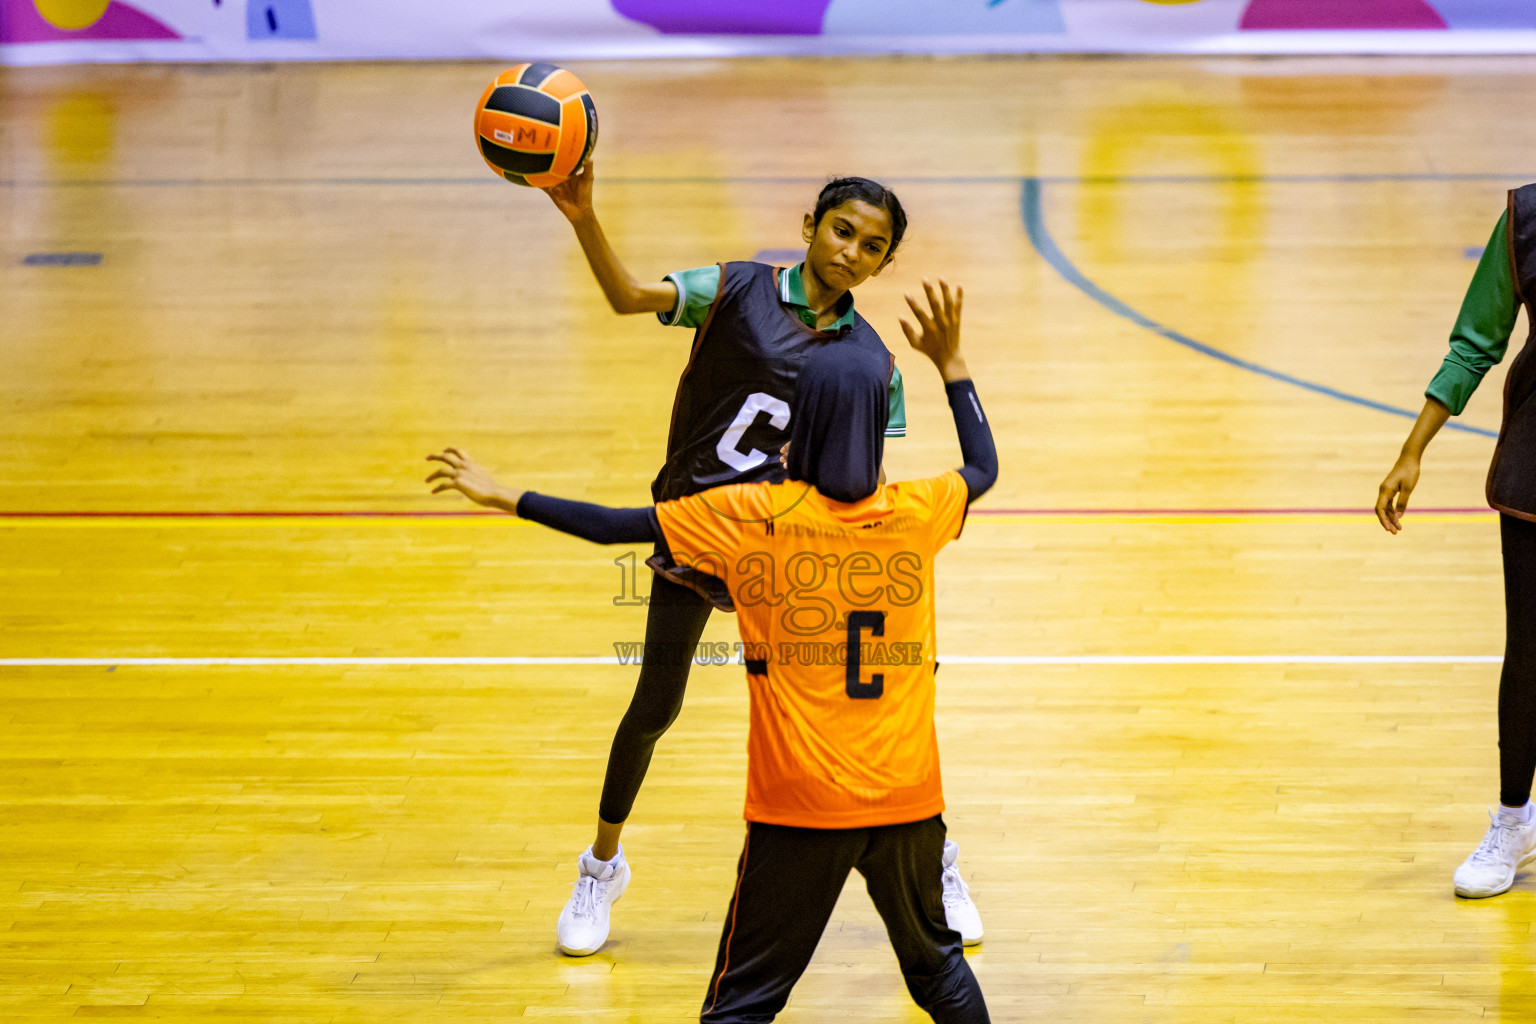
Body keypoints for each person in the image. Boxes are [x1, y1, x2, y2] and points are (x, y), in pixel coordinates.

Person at [428, 277, 994, 1023]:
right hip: (910, 802)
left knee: (742, 1006)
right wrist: (953, 365)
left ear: (799, 429)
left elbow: (609, 525)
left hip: (801, 809)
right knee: (940, 976)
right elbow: (981, 468)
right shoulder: (920, 511)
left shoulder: (749, 516)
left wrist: (506, 496)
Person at [529, 163, 984, 954]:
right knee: (653, 710)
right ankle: (601, 865)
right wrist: (583, 216)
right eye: (842, 231)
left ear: (883, 263)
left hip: (789, 557)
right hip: (704, 534)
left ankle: (935, 856)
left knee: (890, 705)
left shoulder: (874, 361)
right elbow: (628, 297)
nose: (850, 253)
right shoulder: (733, 288)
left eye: (872, 247)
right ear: (810, 224)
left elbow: (859, 479)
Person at [1376, 185, 1536, 898]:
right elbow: (1476, 340)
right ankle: (1513, 819)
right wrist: (1414, 450)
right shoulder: (1526, 219)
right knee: (1530, 649)